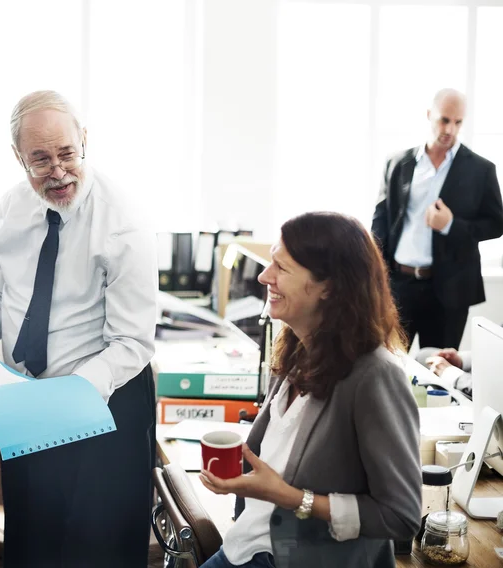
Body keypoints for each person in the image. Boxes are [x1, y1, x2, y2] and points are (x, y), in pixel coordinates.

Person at [0, 90, 158, 567]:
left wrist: (67, 401)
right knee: (33, 543)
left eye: (67, 154)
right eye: (40, 159)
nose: (58, 171)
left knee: (97, 552)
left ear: (84, 141)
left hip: (105, 404)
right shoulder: (13, 205)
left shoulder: (123, 220)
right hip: (28, 399)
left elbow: (132, 341)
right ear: (18, 157)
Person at [199, 212, 422, 568]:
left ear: (329, 287)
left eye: (281, 268)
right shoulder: (295, 349)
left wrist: (292, 498)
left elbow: (400, 515)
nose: (263, 276)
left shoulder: (375, 375)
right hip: (247, 546)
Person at [371, 88, 503, 351]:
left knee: (440, 374)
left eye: (458, 122)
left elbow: (497, 224)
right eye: (445, 120)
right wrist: (374, 274)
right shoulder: (398, 162)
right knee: (390, 365)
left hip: (449, 292)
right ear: (430, 115)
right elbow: (380, 221)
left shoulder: (481, 170)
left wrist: (451, 225)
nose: (450, 130)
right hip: (399, 285)